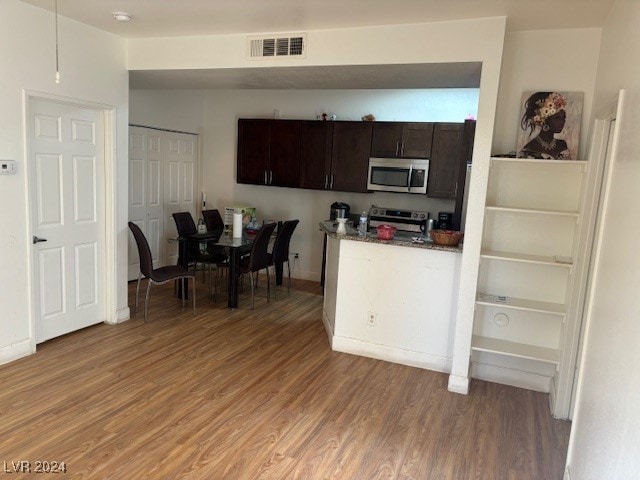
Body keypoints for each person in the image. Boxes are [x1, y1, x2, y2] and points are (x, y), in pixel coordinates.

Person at [518, 91, 571, 159]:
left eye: (563, 118)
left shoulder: (562, 145)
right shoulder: (531, 148)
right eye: (557, 118)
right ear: (544, 120)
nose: (562, 122)